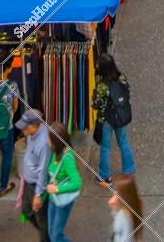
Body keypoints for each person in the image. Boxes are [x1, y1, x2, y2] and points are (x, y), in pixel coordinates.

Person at [92, 54, 135, 191]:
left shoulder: (102, 86)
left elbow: (95, 104)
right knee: (124, 142)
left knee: (106, 147)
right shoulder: (122, 77)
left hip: (106, 120)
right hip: (121, 117)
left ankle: (105, 176)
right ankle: (129, 171)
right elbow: (128, 91)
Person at [17, 108, 51, 242]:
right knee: (26, 209)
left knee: (42, 221)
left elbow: (43, 170)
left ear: (35, 125)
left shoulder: (43, 143)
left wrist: (38, 194)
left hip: (37, 185)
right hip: (28, 182)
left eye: (26, 127)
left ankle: (47, 237)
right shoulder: (31, 135)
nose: (23, 130)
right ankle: (48, 233)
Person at [46, 123, 82, 242]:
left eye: (49, 140)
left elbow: (77, 183)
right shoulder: (55, 152)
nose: (47, 142)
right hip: (53, 199)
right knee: (52, 233)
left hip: (62, 201)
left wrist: (57, 189)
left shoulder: (67, 158)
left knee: (56, 237)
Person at [109, 174, 144, 241]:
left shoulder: (124, 217)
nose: (115, 194)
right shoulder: (134, 204)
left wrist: (114, 210)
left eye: (117, 192)